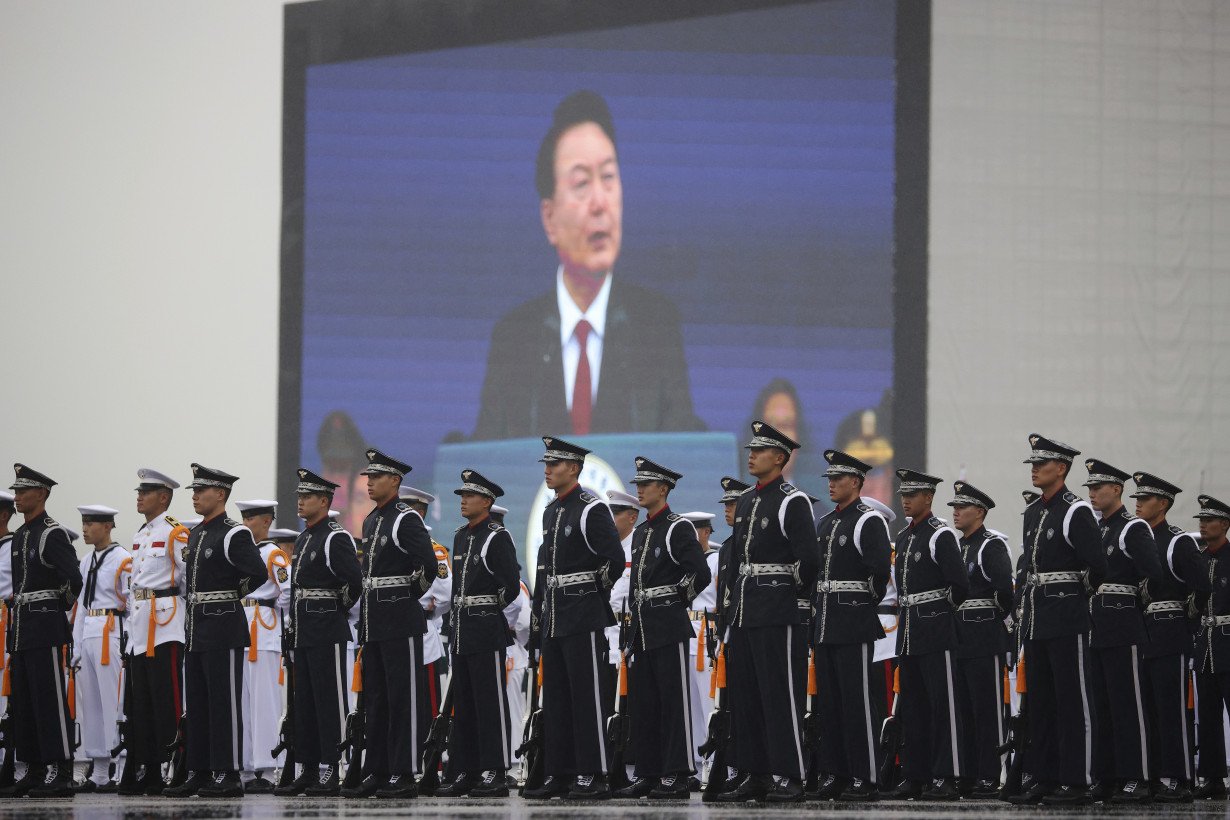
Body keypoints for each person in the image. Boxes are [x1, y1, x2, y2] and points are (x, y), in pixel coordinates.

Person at [472, 90, 702, 440]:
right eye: (581, 183)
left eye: (608, 177)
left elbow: (683, 458)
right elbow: (488, 465)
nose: (600, 203)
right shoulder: (513, 339)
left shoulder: (656, 326)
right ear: (549, 219)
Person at [716, 421, 818, 803]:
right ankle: (754, 772)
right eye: (750, 450)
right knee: (747, 694)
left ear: (779, 457)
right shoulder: (746, 500)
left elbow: (809, 559)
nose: (751, 455)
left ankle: (789, 774)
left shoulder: (792, 500)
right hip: (745, 608)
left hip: (776, 608)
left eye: (759, 451)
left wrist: (784, 592)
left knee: (779, 694)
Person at [524, 437, 624, 800]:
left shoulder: (590, 508)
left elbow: (612, 560)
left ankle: (591, 773)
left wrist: (587, 597)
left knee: (585, 696)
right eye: (546, 464)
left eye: (555, 464)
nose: (547, 470)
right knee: (558, 698)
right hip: (555, 616)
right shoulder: (552, 511)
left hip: (581, 616)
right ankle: (560, 773)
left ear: (575, 468)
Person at [1009, 435, 1107, 806]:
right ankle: (1046, 778)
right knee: (1043, 704)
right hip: (1037, 618)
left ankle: (1077, 781)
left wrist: (1072, 598)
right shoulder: (1034, 511)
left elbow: (1097, 566)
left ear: (1061, 468)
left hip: (1066, 617)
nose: (1034, 469)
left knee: (1073, 702)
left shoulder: (1074, 510)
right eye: (1033, 464)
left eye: (1042, 464)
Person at [165, 464, 269, 798]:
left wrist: (228, 597)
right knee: (197, 703)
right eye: (194, 491)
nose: (194, 496)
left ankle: (227, 772)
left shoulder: (233, 533)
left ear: (220, 494)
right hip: (196, 626)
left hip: (222, 626)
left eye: (201, 491)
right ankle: (199, 769)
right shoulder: (197, 533)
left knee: (223, 703)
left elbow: (257, 574)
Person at [614, 458, 710, 799]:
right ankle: (649, 772)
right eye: (637, 483)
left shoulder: (676, 527)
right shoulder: (642, 531)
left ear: (664, 489)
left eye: (646, 484)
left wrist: (673, 602)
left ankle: (676, 773)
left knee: (673, 702)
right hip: (642, 625)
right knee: (645, 703)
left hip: (667, 625)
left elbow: (700, 573)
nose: (638, 488)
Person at [345, 449, 436, 799]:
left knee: (403, 699)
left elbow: (427, 565)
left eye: (376, 477)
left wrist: (404, 596)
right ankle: (379, 770)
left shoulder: (405, 518)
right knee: (377, 700)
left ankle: (403, 772)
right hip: (375, 621)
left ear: (395, 481)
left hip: (399, 621)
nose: (368, 482)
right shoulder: (371, 519)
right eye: (367, 477)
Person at [808, 449, 892, 802]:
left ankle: (864, 775)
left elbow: (878, 575)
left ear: (856, 482)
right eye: (829, 478)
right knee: (830, 704)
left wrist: (856, 606)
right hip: (826, 622)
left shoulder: (867, 520)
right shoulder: (826, 522)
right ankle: (836, 773)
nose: (831, 484)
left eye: (838, 478)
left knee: (857, 702)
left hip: (853, 622)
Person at [275, 469, 362, 797]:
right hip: (304, 628)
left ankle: (335, 766)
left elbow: (354, 582)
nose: (300, 501)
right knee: (306, 702)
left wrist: (334, 609)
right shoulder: (306, 537)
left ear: (324, 501)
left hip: (327, 627)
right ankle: (309, 767)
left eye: (307, 497)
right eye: (299, 496)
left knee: (331, 701)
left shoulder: (335, 536)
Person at [436, 470, 522, 798]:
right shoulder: (461, 536)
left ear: (486, 501)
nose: (463, 500)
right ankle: (466, 770)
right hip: (463, 629)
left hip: (485, 628)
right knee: (466, 704)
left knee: (489, 703)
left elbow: (510, 587)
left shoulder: (496, 536)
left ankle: (494, 770)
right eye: (461, 495)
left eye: (469, 496)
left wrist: (485, 608)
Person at [0, 464, 83, 798]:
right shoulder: (21, 534)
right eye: (16, 492)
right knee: (24, 702)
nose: (17, 497)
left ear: (42, 494)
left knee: (49, 700)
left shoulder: (51, 533)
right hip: (22, 628)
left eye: (23, 492)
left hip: (44, 627)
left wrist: (53, 607)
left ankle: (60, 770)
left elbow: (73, 579)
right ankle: (34, 768)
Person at [1080, 461, 1160, 802]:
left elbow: (1153, 573)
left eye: (1100, 487)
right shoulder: (1097, 530)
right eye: (1090, 488)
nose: (1093, 493)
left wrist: (1130, 601)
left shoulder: (1132, 528)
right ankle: (1107, 776)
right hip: (1096, 625)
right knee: (1102, 707)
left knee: (1129, 705)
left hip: (1123, 624)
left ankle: (1138, 776)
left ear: (1117, 489)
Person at [887, 469, 969, 801]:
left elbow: (959, 586)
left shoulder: (940, 535)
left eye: (914, 494)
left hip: (935, 630)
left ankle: (945, 776)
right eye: (904, 493)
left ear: (929, 497)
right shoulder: (905, 536)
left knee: (942, 706)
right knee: (915, 707)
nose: (906, 499)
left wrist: (935, 613)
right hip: (909, 631)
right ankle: (915, 775)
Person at [1130, 470, 1207, 800]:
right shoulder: (1139, 538)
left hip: (1170, 630)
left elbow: (1201, 585)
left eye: (1144, 500)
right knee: (1147, 709)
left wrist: (1188, 616)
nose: (1138, 505)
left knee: (1171, 708)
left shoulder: (1177, 540)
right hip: (1143, 633)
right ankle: (1152, 773)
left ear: (1162, 504)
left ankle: (1177, 777)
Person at [120, 467, 188, 796]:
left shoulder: (175, 532)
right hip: (140, 622)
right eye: (138, 492)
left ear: (163, 497)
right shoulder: (140, 535)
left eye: (145, 492)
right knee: (141, 702)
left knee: (168, 699)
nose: (139, 497)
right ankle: (146, 767)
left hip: (165, 623)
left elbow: (189, 579)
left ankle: (173, 764)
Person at [946, 483, 1014, 799]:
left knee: (987, 710)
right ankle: (970, 773)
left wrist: (987, 619)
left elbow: (1004, 593)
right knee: (964, 711)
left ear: (980, 512)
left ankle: (990, 774)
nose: (956, 513)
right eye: (954, 507)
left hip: (984, 636)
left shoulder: (991, 545)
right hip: (959, 637)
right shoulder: (958, 547)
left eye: (963, 507)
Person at [70, 504, 131, 793]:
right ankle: (99, 773)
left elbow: (131, 604)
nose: (85, 528)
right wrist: (76, 644)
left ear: (107, 526)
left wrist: (129, 640)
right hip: (91, 632)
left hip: (112, 632)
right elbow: (81, 605)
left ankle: (120, 768)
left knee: (113, 703)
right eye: (83, 522)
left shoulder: (123, 559)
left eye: (91, 523)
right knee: (92, 706)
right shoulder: (85, 561)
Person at [232, 499, 291, 794]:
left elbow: (288, 592)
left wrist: (271, 614)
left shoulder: (273, 554)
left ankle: (266, 768)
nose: (245, 522)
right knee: (242, 703)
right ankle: (244, 766)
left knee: (264, 702)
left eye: (251, 517)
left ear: (266, 522)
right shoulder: (241, 552)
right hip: (240, 625)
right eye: (243, 516)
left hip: (263, 628)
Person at [398, 485, 451, 745]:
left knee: (426, 698)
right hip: (395, 630)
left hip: (421, 632)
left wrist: (425, 609)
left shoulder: (434, 550)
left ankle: (431, 757)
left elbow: (444, 594)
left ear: (419, 514)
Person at [1192, 495, 1230, 799]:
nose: (1203, 525)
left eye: (1209, 520)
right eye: (1201, 521)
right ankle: (1213, 777)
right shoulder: (1199, 559)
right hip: (1205, 647)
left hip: (1228, 643)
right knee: (1208, 716)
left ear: (1225, 525)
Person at [681, 509, 719, 785]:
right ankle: (695, 762)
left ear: (705, 532)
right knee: (691, 705)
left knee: (708, 704)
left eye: (694, 530)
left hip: (707, 636)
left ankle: (713, 762)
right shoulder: (683, 561)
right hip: (685, 634)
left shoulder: (716, 561)